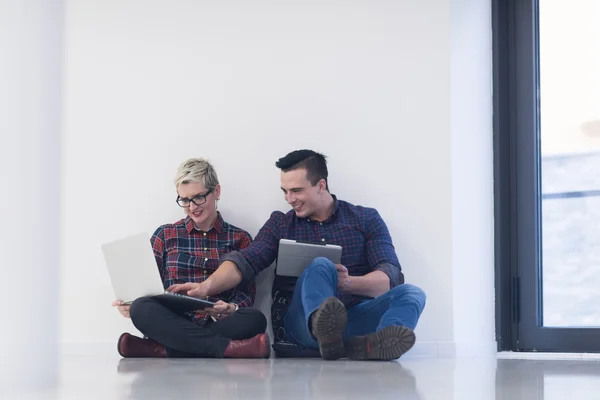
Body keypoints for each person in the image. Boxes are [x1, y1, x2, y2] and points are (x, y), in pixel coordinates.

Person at [169, 150, 426, 361]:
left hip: (355, 316)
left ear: (321, 185)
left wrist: (348, 283)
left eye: (297, 191)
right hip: (301, 326)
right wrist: (205, 288)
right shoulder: (281, 223)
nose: (289, 199)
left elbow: (388, 276)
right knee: (320, 265)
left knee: (413, 293)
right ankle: (324, 330)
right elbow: (246, 260)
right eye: (285, 191)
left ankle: (370, 346)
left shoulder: (365, 218)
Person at [112, 158, 270, 358]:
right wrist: (131, 301)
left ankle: (160, 349)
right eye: (184, 200)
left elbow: (246, 294)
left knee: (255, 319)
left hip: (217, 322)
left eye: (198, 197)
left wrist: (230, 308)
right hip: (173, 319)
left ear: (217, 191)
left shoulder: (239, 237)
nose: (192, 206)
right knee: (141, 309)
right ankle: (227, 348)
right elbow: (148, 286)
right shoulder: (165, 234)